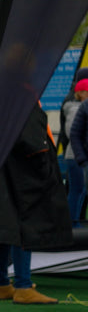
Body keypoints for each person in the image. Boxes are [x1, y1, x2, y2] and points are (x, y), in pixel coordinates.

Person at [0, 104, 72, 304]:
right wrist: (45, 164)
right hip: (19, 174)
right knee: (23, 226)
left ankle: (1, 284)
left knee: (0, 227)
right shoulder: (24, 101)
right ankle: (23, 286)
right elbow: (33, 142)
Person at [63, 77, 88, 226]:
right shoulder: (75, 109)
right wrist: (82, 157)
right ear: (81, 93)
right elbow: (72, 133)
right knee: (77, 191)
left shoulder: (78, 107)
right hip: (75, 156)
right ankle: (72, 223)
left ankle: (74, 222)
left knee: (80, 191)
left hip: (76, 155)